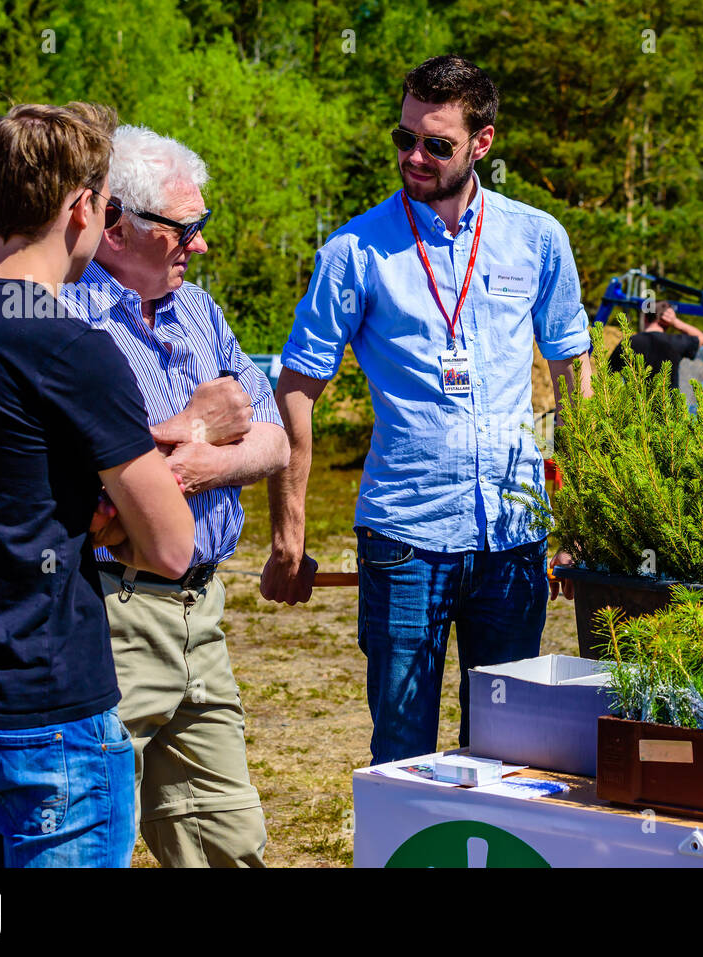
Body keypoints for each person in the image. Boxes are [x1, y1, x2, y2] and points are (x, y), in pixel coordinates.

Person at [261, 55, 592, 765]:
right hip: (404, 539)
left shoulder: (537, 239)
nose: (414, 155)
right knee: (403, 755)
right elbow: (296, 387)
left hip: (513, 540)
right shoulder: (353, 251)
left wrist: (585, 521)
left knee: (510, 753)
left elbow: (574, 374)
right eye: (404, 137)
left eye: (436, 144)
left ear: (483, 142)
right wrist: (288, 536)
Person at [0, 102, 195, 868]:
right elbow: (171, 546)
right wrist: (117, 511)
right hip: (45, 714)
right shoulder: (70, 346)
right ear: (81, 207)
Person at [63, 124, 288, 868]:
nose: (200, 244)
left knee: (226, 839)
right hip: (111, 612)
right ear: (118, 225)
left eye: (203, 224)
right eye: (184, 228)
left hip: (203, 609)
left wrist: (180, 461)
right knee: (83, 837)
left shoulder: (199, 308)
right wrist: (200, 426)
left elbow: (274, 439)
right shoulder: (67, 320)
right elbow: (88, 481)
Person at [608, 301, 703, 390]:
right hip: (668, 409)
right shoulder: (674, 342)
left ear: (645, 318)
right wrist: (676, 322)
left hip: (636, 409)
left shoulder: (628, 343)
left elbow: (608, 375)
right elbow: (702, 338)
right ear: (666, 321)